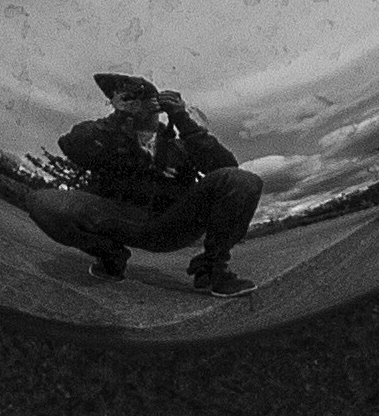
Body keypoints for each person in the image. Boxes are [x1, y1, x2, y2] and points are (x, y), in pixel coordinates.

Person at [22, 73, 261, 291]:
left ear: (158, 103)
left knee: (243, 181)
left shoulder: (179, 144)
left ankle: (211, 271)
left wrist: (181, 117)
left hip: (173, 223)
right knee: (43, 202)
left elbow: (226, 168)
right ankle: (111, 256)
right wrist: (119, 118)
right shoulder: (109, 136)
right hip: (119, 220)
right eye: (127, 99)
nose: (136, 104)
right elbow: (71, 146)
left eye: (143, 97)